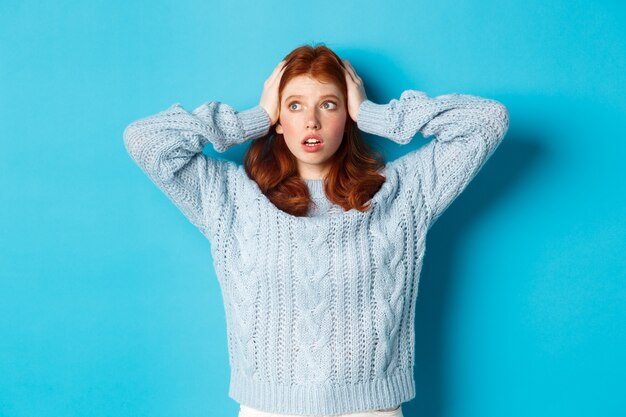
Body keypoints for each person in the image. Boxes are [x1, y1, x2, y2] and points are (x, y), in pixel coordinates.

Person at [123, 44, 510, 417]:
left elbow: (487, 121)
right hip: (268, 410)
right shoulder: (231, 197)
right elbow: (146, 140)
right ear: (279, 118)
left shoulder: (402, 191)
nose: (312, 121)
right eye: (294, 106)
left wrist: (375, 114)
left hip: (370, 410)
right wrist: (253, 117)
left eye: (328, 104)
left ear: (348, 116)